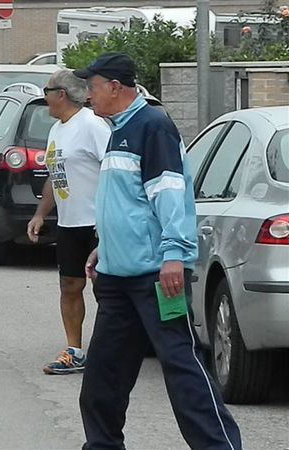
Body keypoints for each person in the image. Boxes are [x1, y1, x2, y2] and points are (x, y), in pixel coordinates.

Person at [74, 53, 242, 449]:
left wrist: (173, 257)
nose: (88, 96)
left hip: (156, 278)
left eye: (93, 86)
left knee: (183, 370)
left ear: (115, 87)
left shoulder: (152, 126)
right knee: (102, 380)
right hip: (117, 280)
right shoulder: (119, 127)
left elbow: (170, 196)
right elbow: (128, 204)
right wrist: (104, 247)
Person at [26, 69, 111, 375]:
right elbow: (55, 175)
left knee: (106, 289)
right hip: (69, 223)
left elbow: (115, 168)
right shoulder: (57, 130)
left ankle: (111, 351)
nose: (44, 96)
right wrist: (40, 213)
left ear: (60, 94)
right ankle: (75, 350)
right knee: (70, 285)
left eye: (46, 90)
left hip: (98, 222)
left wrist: (111, 217)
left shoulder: (92, 125)